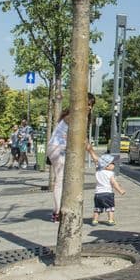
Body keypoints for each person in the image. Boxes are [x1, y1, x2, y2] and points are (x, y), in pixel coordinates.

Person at [47, 93, 97, 222]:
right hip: (58, 148)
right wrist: (93, 155)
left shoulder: (76, 116)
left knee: (64, 180)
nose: (89, 107)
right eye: (87, 104)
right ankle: (58, 212)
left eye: (91, 105)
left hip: (58, 148)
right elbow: (82, 139)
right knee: (61, 179)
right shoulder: (72, 117)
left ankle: (60, 210)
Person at [90, 153, 126, 226]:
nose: (114, 164)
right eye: (112, 163)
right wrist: (120, 190)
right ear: (107, 165)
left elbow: (96, 161)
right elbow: (114, 183)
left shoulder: (98, 172)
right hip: (108, 194)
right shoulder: (110, 173)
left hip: (98, 194)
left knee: (97, 208)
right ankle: (111, 220)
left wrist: (90, 151)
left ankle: (95, 220)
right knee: (110, 208)